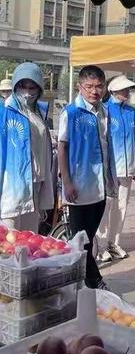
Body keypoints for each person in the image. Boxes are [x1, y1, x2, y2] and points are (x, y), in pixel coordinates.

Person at [58, 65, 117, 289]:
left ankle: (85, 282)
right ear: (79, 87)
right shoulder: (71, 113)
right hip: (79, 187)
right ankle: (93, 282)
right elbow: (62, 148)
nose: (94, 91)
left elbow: (106, 146)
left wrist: (110, 177)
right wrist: (67, 182)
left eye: (99, 86)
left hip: (100, 187)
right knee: (80, 241)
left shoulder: (104, 111)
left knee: (89, 240)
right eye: (89, 86)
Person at [0, 62, 54, 231]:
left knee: (30, 241)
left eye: (33, 88)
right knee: (9, 243)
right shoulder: (5, 113)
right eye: (23, 87)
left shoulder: (40, 113)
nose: (28, 93)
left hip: (36, 184)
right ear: (15, 86)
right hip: (11, 186)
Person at [98, 75, 135, 262]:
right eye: (124, 90)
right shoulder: (104, 111)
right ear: (113, 91)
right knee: (106, 207)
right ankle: (99, 245)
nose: (127, 93)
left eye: (128, 90)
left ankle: (114, 242)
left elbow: (134, 139)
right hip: (110, 168)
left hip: (128, 167)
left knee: (122, 206)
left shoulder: (132, 111)